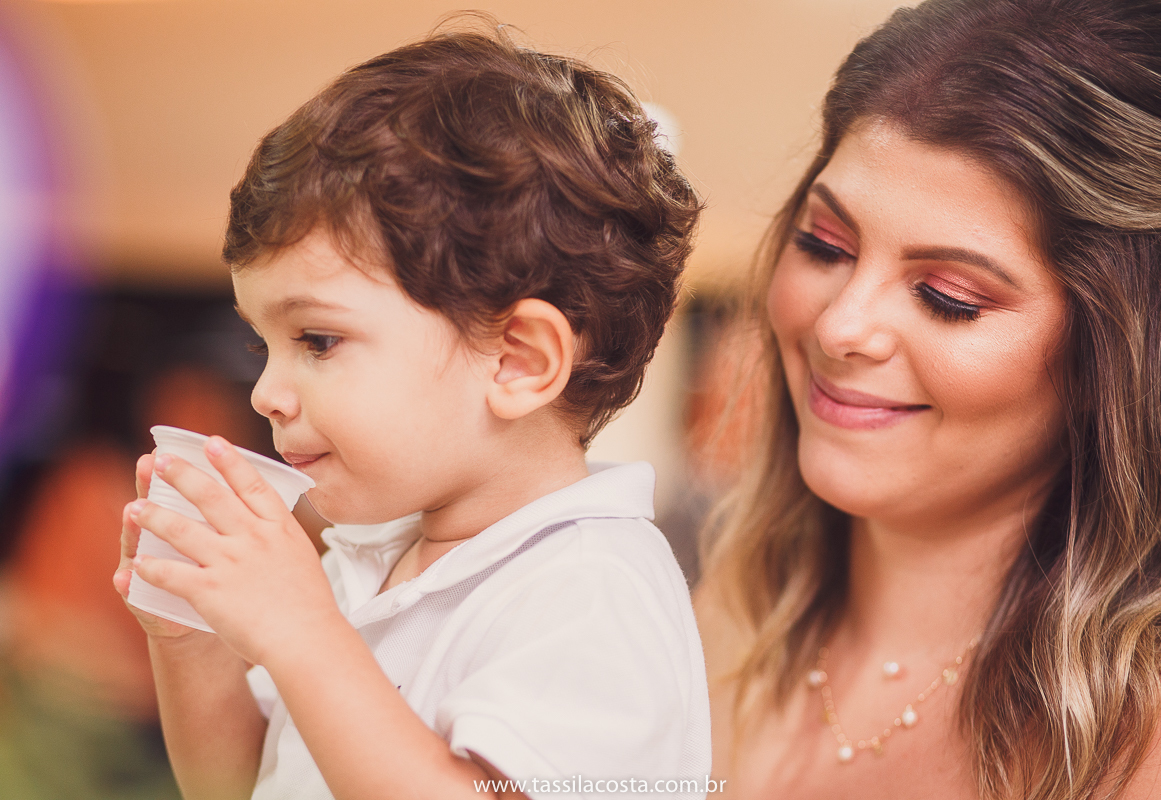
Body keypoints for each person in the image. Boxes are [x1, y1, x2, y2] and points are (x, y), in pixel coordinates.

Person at [111, 27, 711, 800]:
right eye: (265, 346)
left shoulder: (589, 588)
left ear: (517, 360)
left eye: (318, 340)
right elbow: (237, 784)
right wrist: (190, 632)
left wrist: (301, 633)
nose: (265, 393)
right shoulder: (373, 553)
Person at [694, 0, 1161, 797]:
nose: (841, 326)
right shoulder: (719, 618)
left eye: (948, 296)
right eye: (824, 245)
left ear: (1125, 361)